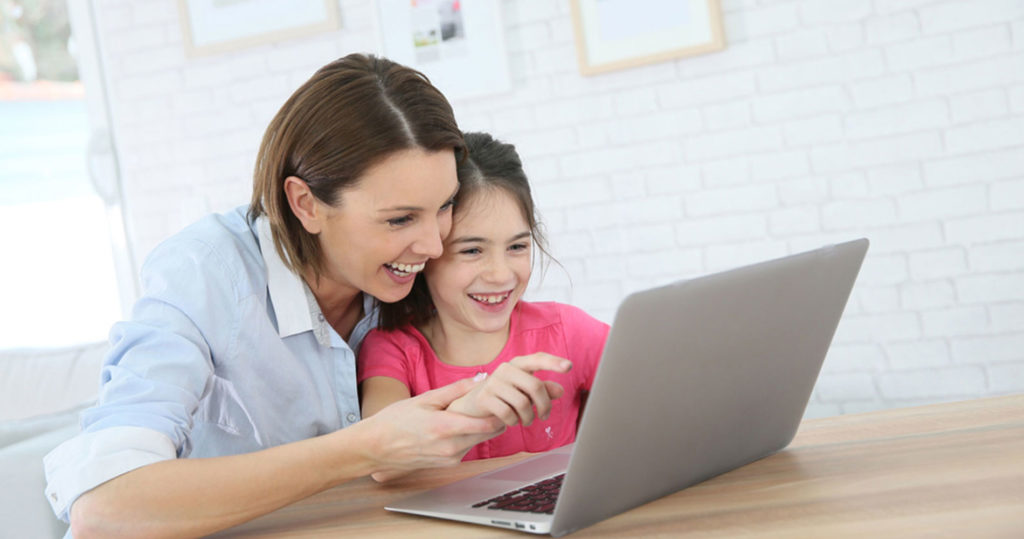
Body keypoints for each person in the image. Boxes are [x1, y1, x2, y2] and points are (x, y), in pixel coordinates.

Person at [42, 54, 570, 539]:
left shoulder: (406, 279)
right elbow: (105, 509)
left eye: (445, 206)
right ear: (306, 204)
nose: (434, 244)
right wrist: (361, 447)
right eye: (400, 218)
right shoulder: (206, 273)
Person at [358, 132, 610, 466]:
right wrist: (471, 408)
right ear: (428, 252)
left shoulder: (567, 331)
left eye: (517, 247)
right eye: (473, 250)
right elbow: (383, 464)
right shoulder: (392, 350)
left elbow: (664, 388)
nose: (500, 274)